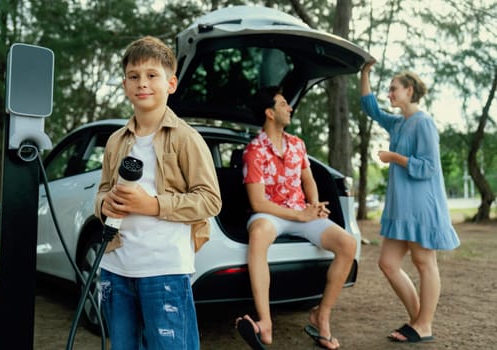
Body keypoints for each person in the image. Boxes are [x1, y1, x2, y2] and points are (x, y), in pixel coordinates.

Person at [94, 35, 222, 350]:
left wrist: (151, 205)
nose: (143, 83)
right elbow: (101, 194)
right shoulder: (115, 141)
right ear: (125, 85)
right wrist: (105, 204)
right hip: (116, 267)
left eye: (152, 75)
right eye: (134, 77)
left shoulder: (186, 139)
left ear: (171, 84)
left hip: (164, 269)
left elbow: (210, 200)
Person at [235, 86, 357, 350]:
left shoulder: (297, 145)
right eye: (283, 104)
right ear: (270, 113)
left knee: (348, 244)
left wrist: (314, 205)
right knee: (258, 235)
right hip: (271, 213)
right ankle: (265, 323)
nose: (289, 108)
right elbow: (258, 202)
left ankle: (321, 315)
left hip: (301, 211)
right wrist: (300, 214)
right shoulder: (253, 151)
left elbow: (308, 180)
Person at [360, 61, 460, 343]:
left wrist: (394, 158)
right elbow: (371, 109)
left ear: (409, 90)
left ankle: (423, 325)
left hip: (421, 205)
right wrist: (365, 72)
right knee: (388, 262)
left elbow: (428, 167)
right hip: (401, 207)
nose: (389, 94)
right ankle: (419, 318)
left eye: (394, 89)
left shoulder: (424, 122)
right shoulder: (398, 122)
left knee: (424, 261)